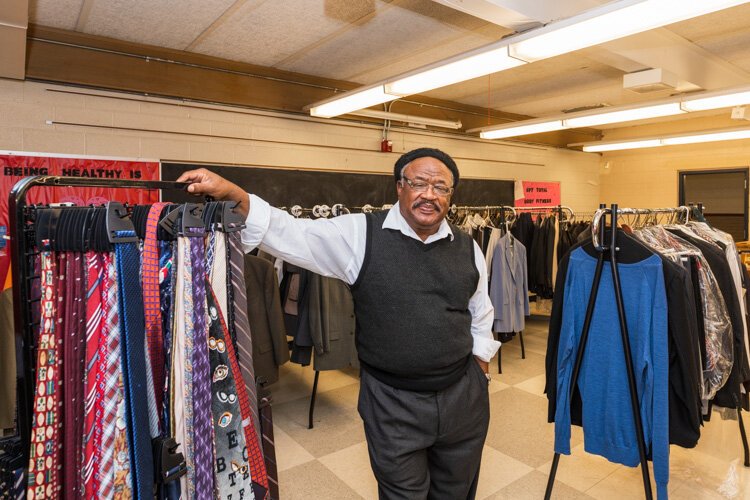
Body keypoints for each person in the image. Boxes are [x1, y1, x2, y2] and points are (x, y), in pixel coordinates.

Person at [177, 148, 500, 499]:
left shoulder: (467, 247)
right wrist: (236, 195)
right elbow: (292, 233)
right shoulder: (362, 235)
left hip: (463, 398)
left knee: (457, 490)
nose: (429, 194)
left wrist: (479, 369)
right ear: (399, 187)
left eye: (441, 187)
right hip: (393, 402)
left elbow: (479, 310)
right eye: (419, 183)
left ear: (451, 196)